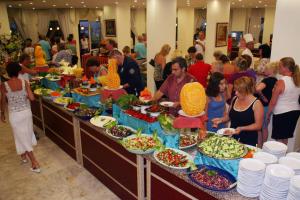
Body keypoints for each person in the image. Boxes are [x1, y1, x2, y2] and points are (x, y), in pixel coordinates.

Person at [0, 62, 40, 173]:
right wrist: (24, 96)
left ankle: (34, 162)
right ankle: (23, 156)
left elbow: (3, 101)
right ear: (18, 71)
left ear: (8, 72)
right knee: (23, 134)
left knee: (21, 135)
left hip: (15, 115)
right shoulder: (25, 82)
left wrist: (2, 113)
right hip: (26, 113)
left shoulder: (4, 85)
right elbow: (32, 98)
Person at [212, 76, 264, 146]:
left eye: (239, 91)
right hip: (233, 137)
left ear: (246, 91)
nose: (236, 93)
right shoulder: (234, 99)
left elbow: (258, 126)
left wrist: (242, 128)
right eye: (235, 90)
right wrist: (220, 120)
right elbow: (229, 116)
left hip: (248, 140)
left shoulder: (257, 104)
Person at [266, 57, 300, 145]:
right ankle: (283, 157)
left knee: (279, 139)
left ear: (285, 68)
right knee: (285, 138)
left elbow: (273, 102)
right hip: (295, 112)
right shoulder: (296, 80)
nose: (278, 68)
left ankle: (280, 157)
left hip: (282, 113)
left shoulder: (281, 81)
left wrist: (268, 114)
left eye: (280, 66)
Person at [256, 62, 278, 145]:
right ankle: (262, 146)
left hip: (263, 106)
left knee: (260, 128)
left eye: (266, 68)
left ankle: (259, 146)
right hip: (269, 107)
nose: (264, 70)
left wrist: (263, 97)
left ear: (270, 70)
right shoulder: (276, 80)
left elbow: (257, 89)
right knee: (264, 127)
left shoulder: (266, 80)